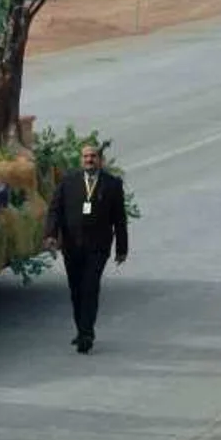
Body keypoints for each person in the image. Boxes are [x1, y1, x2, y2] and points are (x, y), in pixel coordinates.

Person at [43, 144, 129, 354]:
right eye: (86, 156)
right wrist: (52, 235)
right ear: (81, 159)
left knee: (90, 287)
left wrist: (122, 248)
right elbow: (55, 210)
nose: (89, 159)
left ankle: (86, 333)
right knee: (76, 290)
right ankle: (81, 329)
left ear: (100, 159)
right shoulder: (68, 182)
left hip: (98, 247)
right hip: (72, 246)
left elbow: (119, 219)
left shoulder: (112, 184)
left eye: (93, 156)